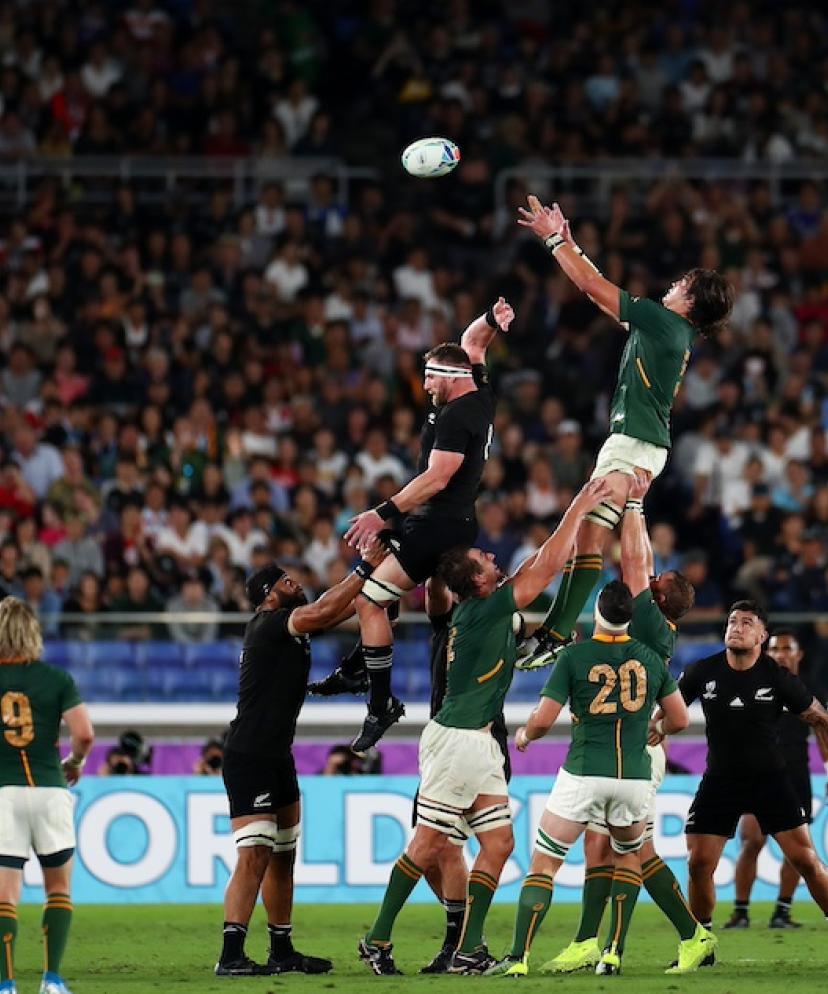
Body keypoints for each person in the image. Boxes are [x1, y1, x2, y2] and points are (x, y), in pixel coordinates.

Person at [358, 478, 612, 977]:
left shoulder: (486, 613)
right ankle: (377, 938)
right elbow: (543, 567)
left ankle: (469, 949)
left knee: (498, 845)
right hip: (458, 740)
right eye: (484, 559)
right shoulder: (482, 609)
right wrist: (581, 503)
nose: (493, 558)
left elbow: (531, 588)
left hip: (478, 741)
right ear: (477, 581)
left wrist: (545, 637)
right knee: (429, 845)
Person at [515, 195, 733, 668]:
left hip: (634, 445)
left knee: (579, 531)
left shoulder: (666, 323)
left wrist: (553, 240)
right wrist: (574, 245)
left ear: (690, 301)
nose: (672, 285)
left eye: (681, 283)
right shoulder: (667, 331)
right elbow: (600, 297)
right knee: (589, 541)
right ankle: (555, 633)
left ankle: (552, 632)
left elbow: (593, 284)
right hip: (636, 443)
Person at [310, 298, 515, 754]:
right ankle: (380, 663)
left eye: (430, 377)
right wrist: (490, 321)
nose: (424, 385)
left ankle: (378, 700)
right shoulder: (478, 393)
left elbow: (436, 478)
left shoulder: (458, 417)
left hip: (435, 524)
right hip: (455, 522)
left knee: (369, 601)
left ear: (452, 378)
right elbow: (471, 343)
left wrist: (381, 512)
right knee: (433, 599)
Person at [543, 473, 708, 974]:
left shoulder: (649, 621)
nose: (648, 579)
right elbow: (641, 565)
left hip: (631, 750)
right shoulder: (654, 625)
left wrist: (634, 504)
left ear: (655, 599)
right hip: (626, 745)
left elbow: (637, 561)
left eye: (654, 585)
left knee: (630, 852)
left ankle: (680, 935)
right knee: (604, 845)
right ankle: (590, 942)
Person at [486, 581, 690, 978]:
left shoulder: (575, 656)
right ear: (631, 617)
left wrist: (526, 734)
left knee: (545, 863)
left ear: (597, 612)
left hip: (583, 772)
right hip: (633, 776)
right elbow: (680, 719)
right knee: (629, 856)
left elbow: (543, 720)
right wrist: (657, 726)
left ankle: (518, 957)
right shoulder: (649, 658)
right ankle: (612, 952)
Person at [215, 537, 387, 977]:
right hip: (250, 754)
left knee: (283, 855)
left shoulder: (288, 623)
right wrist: (365, 567)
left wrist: (387, 584)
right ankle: (231, 954)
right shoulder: (270, 623)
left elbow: (344, 607)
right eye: (289, 582)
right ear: (269, 595)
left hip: (277, 755)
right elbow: (328, 609)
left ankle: (281, 949)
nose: (298, 585)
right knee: (254, 853)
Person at [678, 601, 828, 928]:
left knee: (806, 860)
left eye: (747, 623)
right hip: (719, 780)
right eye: (733, 621)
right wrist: (656, 729)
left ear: (762, 635)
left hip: (770, 780)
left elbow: (820, 718)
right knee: (699, 864)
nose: (737, 627)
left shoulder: (778, 678)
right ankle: (701, 941)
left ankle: (780, 910)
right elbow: (669, 713)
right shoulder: (701, 672)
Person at [0, 597, 95, 994]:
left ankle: (5, 984)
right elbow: (85, 734)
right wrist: (73, 761)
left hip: (3, 793)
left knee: (5, 894)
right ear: (32, 633)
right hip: (50, 790)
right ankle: (51, 980)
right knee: (58, 888)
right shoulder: (57, 679)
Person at [723, 629, 828, 929]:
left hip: (795, 778)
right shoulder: (753, 684)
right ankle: (740, 911)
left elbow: (823, 731)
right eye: (775, 649)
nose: (780, 653)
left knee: (798, 851)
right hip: (755, 776)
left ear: (799, 654)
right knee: (752, 840)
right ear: (767, 653)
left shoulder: (809, 691)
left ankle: (782, 910)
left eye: (787, 648)